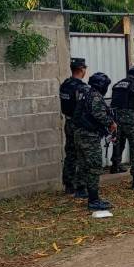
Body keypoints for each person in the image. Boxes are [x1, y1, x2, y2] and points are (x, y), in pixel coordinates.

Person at [73, 72, 117, 211]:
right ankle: (94, 200)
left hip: (79, 133)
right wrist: (111, 123)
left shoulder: (86, 93)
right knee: (94, 167)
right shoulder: (95, 96)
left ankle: (81, 190)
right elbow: (98, 114)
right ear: (101, 85)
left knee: (84, 164)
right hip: (89, 136)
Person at [59, 57, 87, 196]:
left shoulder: (65, 84)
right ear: (82, 70)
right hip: (78, 125)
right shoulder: (81, 87)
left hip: (68, 122)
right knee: (82, 154)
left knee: (70, 154)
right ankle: (81, 186)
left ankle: (68, 185)